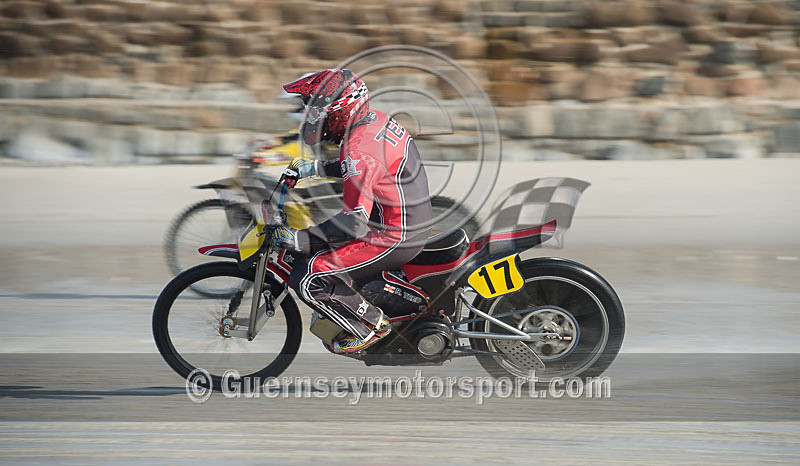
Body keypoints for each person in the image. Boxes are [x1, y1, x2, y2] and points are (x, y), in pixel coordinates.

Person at [273, 68, 433, 354]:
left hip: (393, 234)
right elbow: (365, 169)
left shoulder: (358, 149)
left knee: (311, 275)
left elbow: (354, 222)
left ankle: (371, 325)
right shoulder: (375, 121)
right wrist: (316, 168)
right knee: (319, 247)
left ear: (336, 110)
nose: (309, 118)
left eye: (313, 110)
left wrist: (300, 239)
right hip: (402, 220)